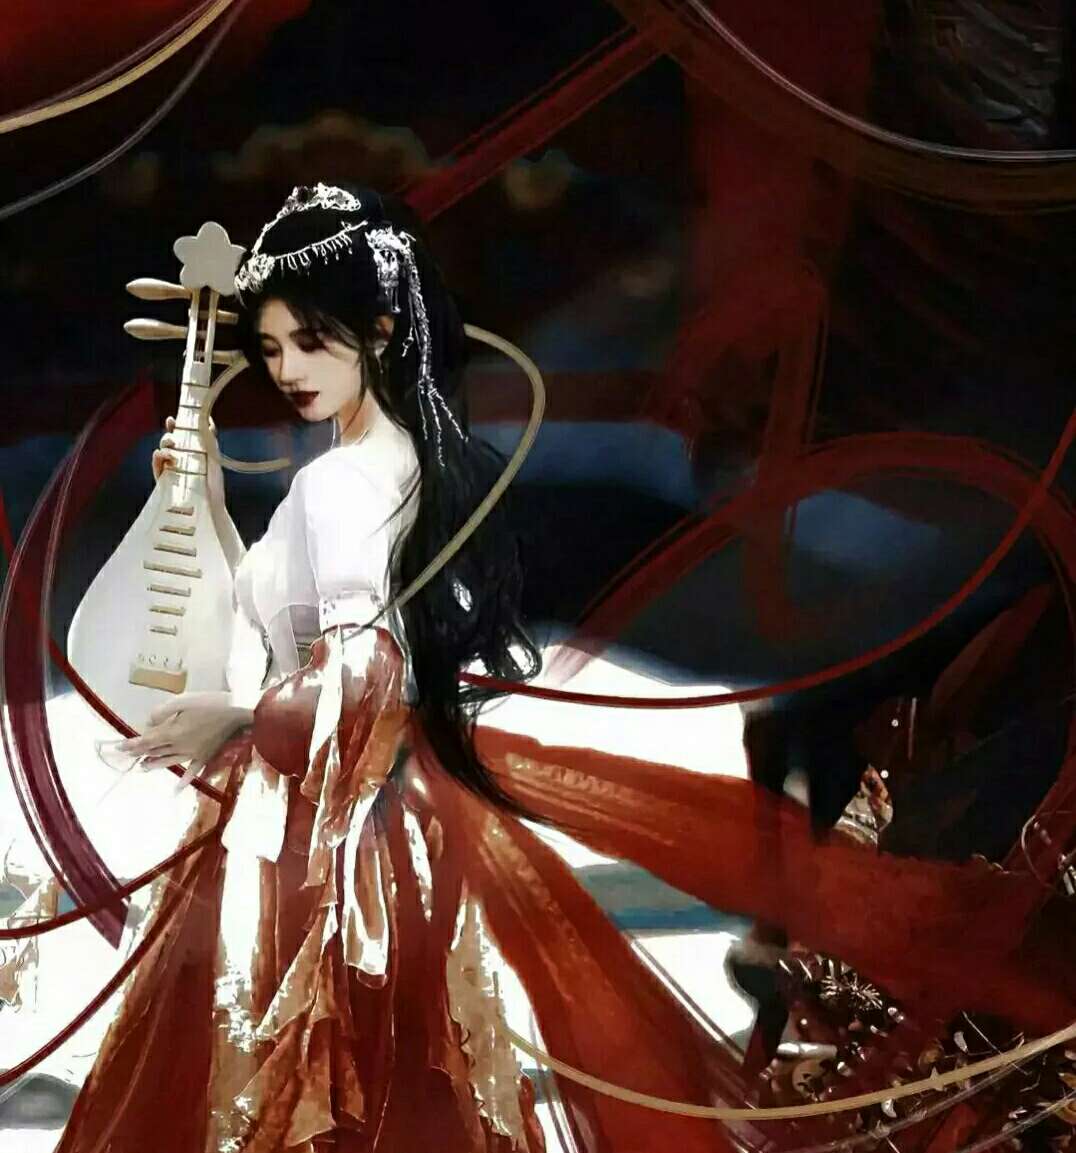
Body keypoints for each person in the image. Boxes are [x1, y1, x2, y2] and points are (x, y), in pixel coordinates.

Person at [28, 184, 1076, 1153]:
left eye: (311, 341)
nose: (289, 368)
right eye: (271, 347)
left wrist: (235, 721)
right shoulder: (380, 468)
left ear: (381, 336)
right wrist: (204, 513)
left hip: (334, 827)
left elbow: (368, 667)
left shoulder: (353, 485)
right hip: (339, 819)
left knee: (330, 1074)